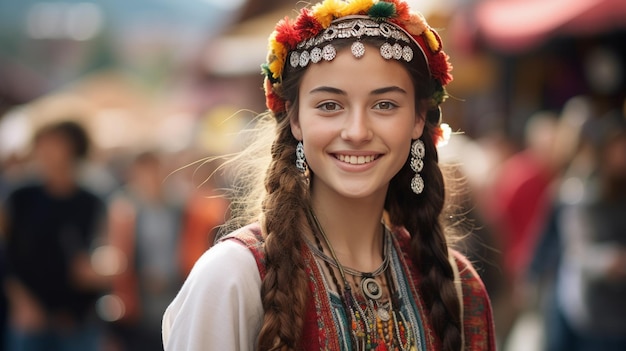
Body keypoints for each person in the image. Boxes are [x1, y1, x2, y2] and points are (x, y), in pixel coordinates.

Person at [162, 0, 496, 350]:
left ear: (417, 120)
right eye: (329, 105)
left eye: (384, 105)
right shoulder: (233, 276)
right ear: (295, 119)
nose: (356, 131)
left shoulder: (457, 286)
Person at [0, 120, 109, 351]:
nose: (46, 152)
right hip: (29, 320)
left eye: (54, 144)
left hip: (76, 320)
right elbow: (5, 252)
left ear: (74, 148)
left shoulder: (92, 201)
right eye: (41, 144)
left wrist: (96, 270)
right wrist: (21, 301)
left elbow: (105, 252)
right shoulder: (20, 197)